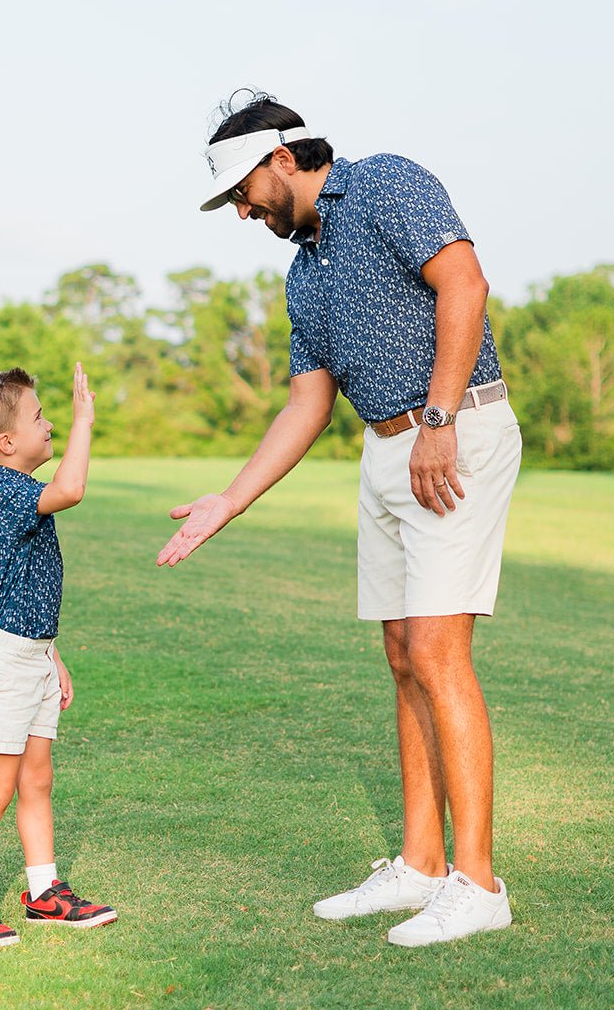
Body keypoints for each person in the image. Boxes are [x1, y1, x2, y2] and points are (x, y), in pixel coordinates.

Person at [157, 93, 522, 948]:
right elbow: (305, 404)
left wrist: (436, 423)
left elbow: (462, 284)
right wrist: (228, 499)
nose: (241, 211)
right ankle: (420, 864)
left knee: (437, 650)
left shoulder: (388, 183)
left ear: (283, 157)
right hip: (384, 450)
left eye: (242, 191)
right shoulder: (304, 271)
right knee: (401, 656)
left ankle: (478, 882)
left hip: (453, 430)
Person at [0, 363, 116, 946]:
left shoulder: (18, 491)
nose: (52, 424)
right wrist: (86, 420)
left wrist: (54, 656)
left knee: (36, 779)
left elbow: (24, 588)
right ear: (6, 443)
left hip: (34, 653)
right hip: (3, 662)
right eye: (41, 417)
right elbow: (71, 489)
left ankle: (43, 891)